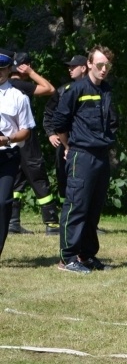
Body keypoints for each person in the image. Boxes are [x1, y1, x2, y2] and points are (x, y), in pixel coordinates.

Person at [50, 46, 118, 274]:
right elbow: (60, 122)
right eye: (99, 64)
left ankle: (86, 255)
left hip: (101, 156)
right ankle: (67, 258)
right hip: (82, 154)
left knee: (93, 208)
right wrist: (69, 147)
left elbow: (112, 122)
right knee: (76, 206)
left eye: (107, 65)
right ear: (89, 64)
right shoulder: (76, 89)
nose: (103, 69)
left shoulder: (107, 90)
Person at [8, 52, 59, 235]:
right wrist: (31, 73)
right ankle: (52, 224)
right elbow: (50, 89)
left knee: (17, 179)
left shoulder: (7, 85)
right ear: (25, 65)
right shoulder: (20, 84)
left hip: (10, 140)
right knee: (38, 177)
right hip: (26, 140)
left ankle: (12, 222)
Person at [0, 48, 36, 259]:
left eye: (2, 69)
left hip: (7, 154)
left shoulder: (18, 97)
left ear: (8, 70)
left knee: (3, 202)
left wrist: (8, 139)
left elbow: (26, 130)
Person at [43, 54, 88, 203]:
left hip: (86, 142)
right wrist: (50, 133)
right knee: (63, 175)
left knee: (87, 179)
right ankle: (66, 211)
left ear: (84, 68)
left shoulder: (95, 90)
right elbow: (49, 112)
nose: (70, 69)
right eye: (69, 66)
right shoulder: (63, 90)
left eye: (73, 66)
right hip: (64, 142)